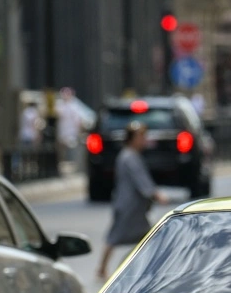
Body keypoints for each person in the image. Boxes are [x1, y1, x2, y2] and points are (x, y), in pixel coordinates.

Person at [97, 122, 167, 279]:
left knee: (145, 235)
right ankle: (103, 268)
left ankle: (141, 266)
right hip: (128, 205)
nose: (144, 141)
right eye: (141, 137)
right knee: (116, 236)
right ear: (132, 139)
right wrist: (155, 194)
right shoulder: (129, 157)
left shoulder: (130, 155)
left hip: (133, 205)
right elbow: (141, 179)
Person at [56, 87, 83, 165]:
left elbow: (78, 121)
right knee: (62, 155)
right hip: (62, 134)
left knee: (71, 155)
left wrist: (79, 132)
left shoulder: (74, 106)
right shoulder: (60, 104)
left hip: (72, 134)